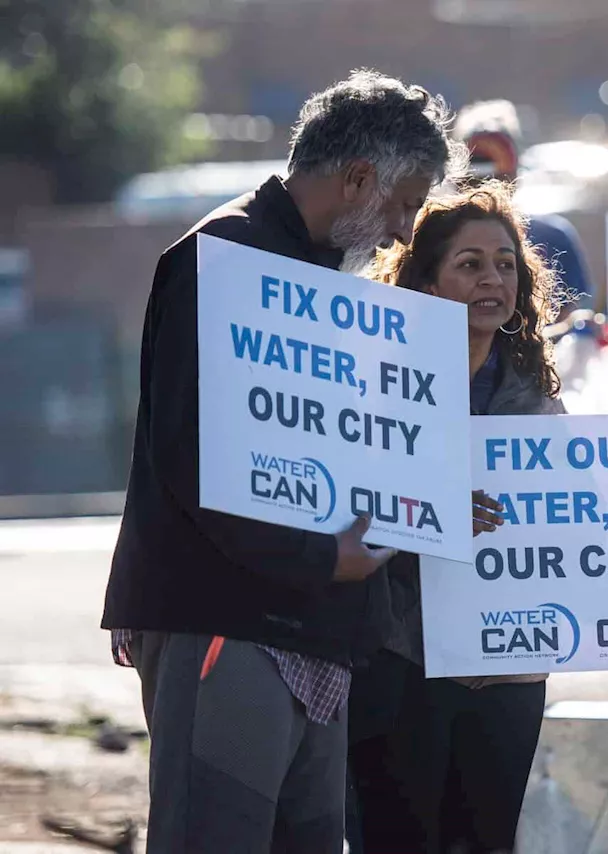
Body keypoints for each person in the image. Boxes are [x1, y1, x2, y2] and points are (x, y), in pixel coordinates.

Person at [100, 69, 467, 854]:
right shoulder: (224, 258)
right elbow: (189, 454)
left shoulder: (324, 276)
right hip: (224, 620)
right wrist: (319, 555)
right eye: (404, 204)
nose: (406, 233)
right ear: (358, 177)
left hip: (311, 624)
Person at [347, 180, 568, 854]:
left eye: (505, 264)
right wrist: (432, 512)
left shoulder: (536, 395)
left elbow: (580, 514)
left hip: (506, 671)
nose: (491, 279)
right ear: (426, 280)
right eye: (468, 264)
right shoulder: (371, 384)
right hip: (399, 660)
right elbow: (349, 512)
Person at [452, 98, 595, 311]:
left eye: (498, 171)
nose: (488, 187)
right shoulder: (430, 238)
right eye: (478, 170)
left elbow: (574, 319)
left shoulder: (554, 238)